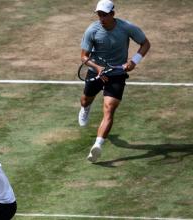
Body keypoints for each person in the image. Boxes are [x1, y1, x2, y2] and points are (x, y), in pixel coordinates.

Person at [78, 0, 150, 162]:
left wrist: (134, 61)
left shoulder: (127, 28)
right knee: (84, 100)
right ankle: (86, 107)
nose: (101, 18)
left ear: (112, 14)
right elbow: (84, 56)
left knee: (109, 108)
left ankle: (97, 145)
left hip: (117, 73)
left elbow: (145, 43)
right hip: (96, 72)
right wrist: (97, 68)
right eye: (99, 15)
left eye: (104, 15)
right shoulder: (92, 30)